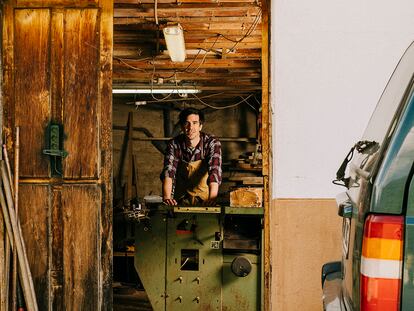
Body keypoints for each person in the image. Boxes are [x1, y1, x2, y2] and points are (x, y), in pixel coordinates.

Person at [161, 108, 222, 206]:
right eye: (187, 123)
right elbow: (169, 172)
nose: (190, 128)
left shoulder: (211, 143)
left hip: (204, 200)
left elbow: (214, 171)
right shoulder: (174, 144)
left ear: (200, 126)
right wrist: (167, 198)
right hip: (180, 200)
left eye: (195, 123)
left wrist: (212, 199)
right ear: (181, 126)